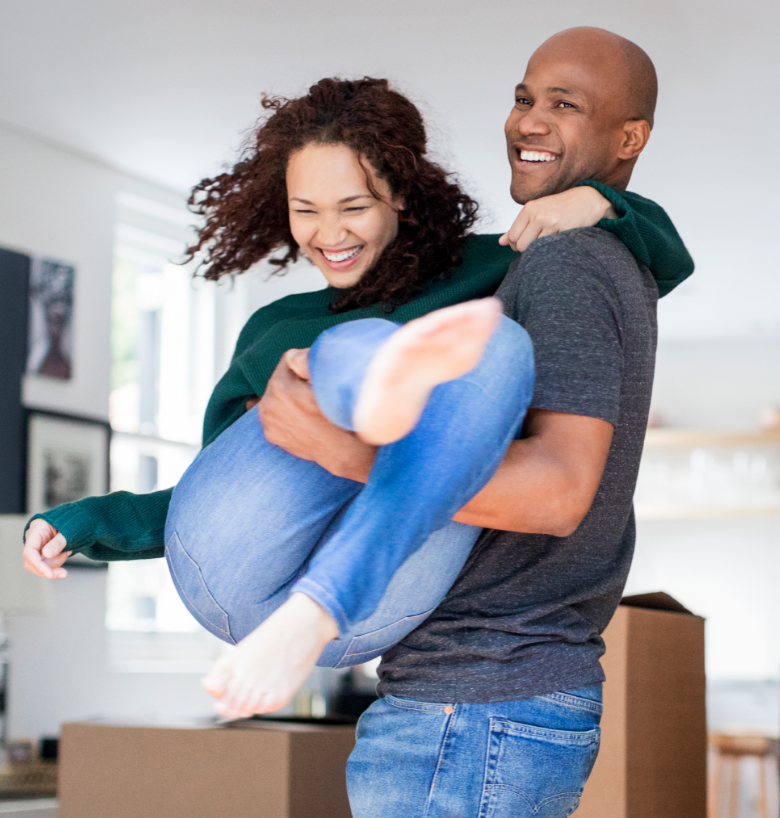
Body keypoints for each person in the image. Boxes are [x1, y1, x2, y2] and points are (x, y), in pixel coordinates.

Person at [23, 56, 688, 788]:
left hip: (363, 605)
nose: (328, 234)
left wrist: (598, 203)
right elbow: (224, 500)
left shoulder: (493, 268)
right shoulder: (273, 330)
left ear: (401, 195)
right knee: (354, 354)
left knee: (497, 348)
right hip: (233, 567)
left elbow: (663, 255)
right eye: (305, 211)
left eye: (354, 207)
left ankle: (380, 408)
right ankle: (370, 385)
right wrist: (91, 521)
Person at [250, 28, 685, 818]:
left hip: (476, 703)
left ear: (630, 138)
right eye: (524, 97)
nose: (529, 121)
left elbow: (557, 491)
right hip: (489, 700)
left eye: (564, 104)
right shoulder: (584, 253)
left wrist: (348, 454)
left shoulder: (568, 261)